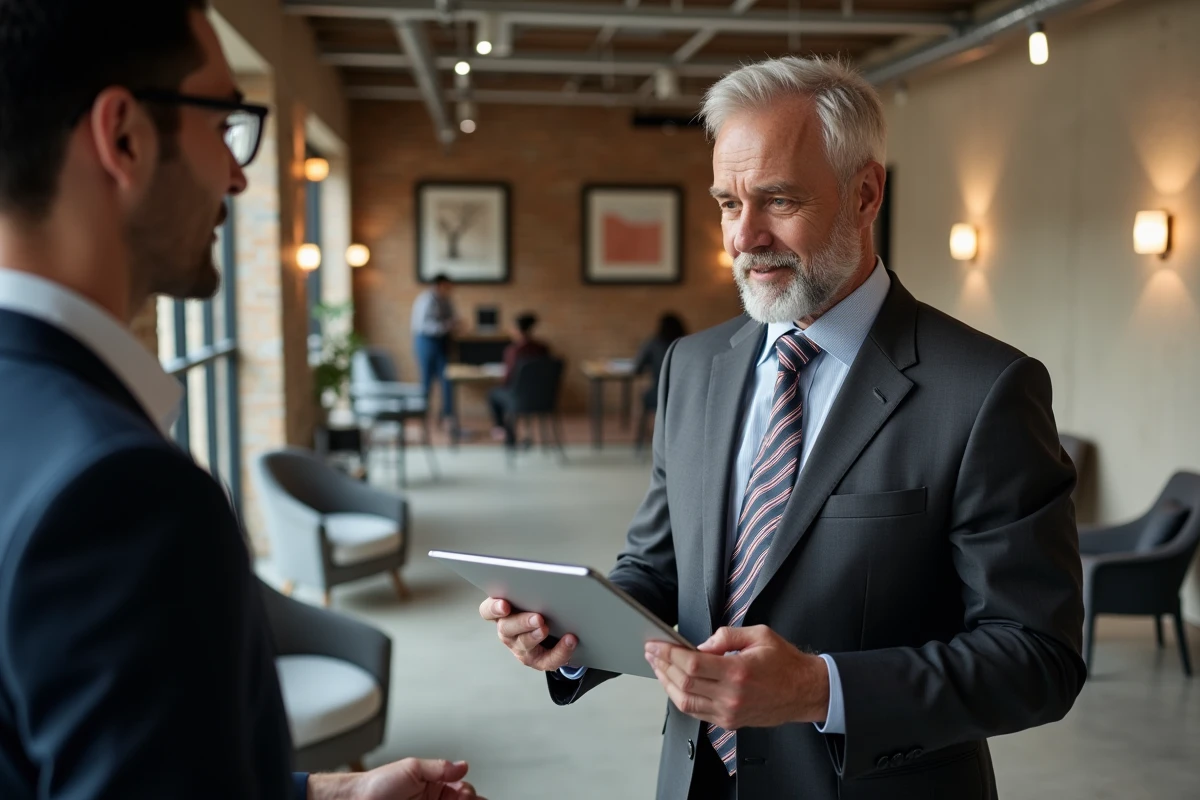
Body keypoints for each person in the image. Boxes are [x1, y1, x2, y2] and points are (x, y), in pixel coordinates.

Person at [481, 56, 1084, 800]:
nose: (744, 236)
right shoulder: (693, 367)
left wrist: (818, 689)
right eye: (728, 203)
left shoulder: (985, 389)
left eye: (778, 200)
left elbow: (1038, 658)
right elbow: (662, 571)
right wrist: (571, 635)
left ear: (865, 194)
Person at [0, 3, 482, 799]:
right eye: (224, 122)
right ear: (123, 137)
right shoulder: (120, 494)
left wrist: (326, 793)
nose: (239, 174)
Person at [488, 312, 550, 445]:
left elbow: (508, 379)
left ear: (516, 330)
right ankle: (513, 433)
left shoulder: (513, 351)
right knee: (510, 394)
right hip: (543, 398)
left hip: (518, 398)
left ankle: (504, 431)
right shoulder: (543, 348)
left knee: (494, 394)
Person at [411, 273, 459, 425]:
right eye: (447, 286)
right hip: (426, 342)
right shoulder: (425, 300)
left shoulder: (446, 300)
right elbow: (422, 325)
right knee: (426, 382)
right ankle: (423, 416)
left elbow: (453, 317)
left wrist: (455, 324)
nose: (450, 289)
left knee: (447, 380)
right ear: (439, 285)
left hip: (442, 343)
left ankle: (447, 416)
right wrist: (446, 326)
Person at [633, 312, 687, 412]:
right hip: (686, 394)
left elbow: (637, 369)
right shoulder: (688, 344)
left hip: (658, 393)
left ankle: (643, 427)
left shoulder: (653, 344)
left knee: (644, 396)